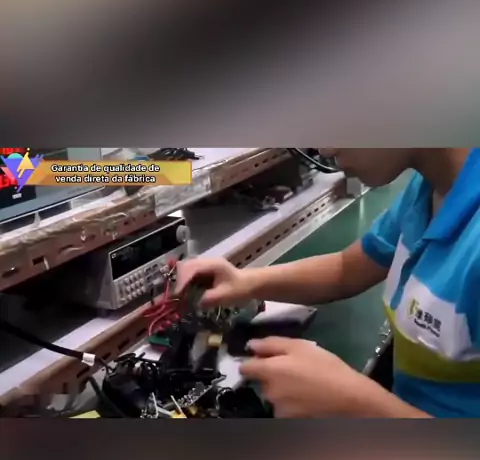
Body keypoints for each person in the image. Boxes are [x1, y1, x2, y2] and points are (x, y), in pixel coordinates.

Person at [176, 148, 480, 418]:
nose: (324, 149)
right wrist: (246, 281)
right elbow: (347, 269)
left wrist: (358, 405)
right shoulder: (430, 189)